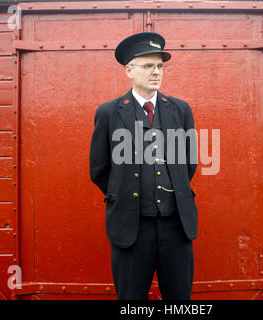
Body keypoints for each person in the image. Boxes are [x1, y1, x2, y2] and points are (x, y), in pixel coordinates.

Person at [89, 32, 198, 300]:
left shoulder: (180, 109)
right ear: (129, 70)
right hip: (131, 227)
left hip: (176, 225)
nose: (156, 72)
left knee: (180, 300)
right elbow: (99, 169)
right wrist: (123, 193)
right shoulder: (109, 112)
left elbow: (189, 163)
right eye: (148, 66)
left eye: (160, 66)